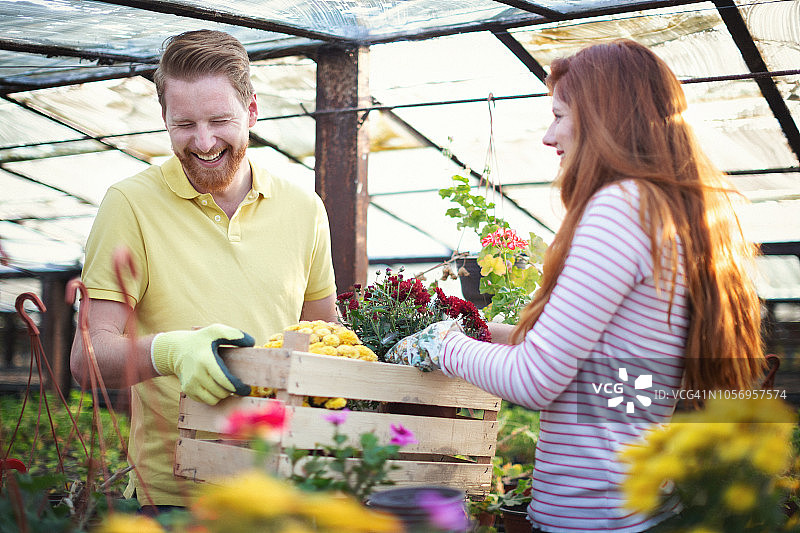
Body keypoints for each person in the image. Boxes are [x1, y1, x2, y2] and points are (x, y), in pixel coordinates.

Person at [387, 39, 764, 532]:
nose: (548, 136)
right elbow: (603, 359)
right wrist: (486, 331)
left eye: (559, 115)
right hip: (634, 510)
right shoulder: (663, 212)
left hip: (594, 519)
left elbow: (534, 380)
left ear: (603, 117)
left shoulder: (620, 208)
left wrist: (439, 343)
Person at [69, 29, 338, 512]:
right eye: (185, 124)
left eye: (220, 120)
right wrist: (169, 350)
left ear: (252, 111)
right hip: (174, 496)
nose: (204, 142)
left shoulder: (305, 209)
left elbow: (326, 338)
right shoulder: (130, 204)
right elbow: (86, 360)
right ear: (165, 119)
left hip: (284, 487)